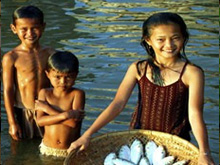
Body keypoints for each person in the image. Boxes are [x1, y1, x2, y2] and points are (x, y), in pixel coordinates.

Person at [67, 12, 215, 164]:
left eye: (175, 38)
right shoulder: (138, 69)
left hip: (176, 141)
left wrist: (204, 152)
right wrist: (88, 135)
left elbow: (195, 114)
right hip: (139, 137)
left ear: (184, 38)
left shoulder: (192, 73)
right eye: (161, 40)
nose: (169, 45)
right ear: (148, 40)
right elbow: (117, 104)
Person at [2, 5, 55, 140]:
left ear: (43, 27)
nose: (30, 33)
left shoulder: (50, 54)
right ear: (14, 29)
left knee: (49, 145)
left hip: (47, 109)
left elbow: (58, 84)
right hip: (24, 111)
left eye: (34, 28)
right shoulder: (12, 57)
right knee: (20, 146)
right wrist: (12, 122)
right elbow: (8, 90)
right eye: (24, 29)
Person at [35, 51, 85, 158]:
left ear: (76, 75)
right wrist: (65, 115)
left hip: (69, 150)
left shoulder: (77, 94)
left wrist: (48, 109)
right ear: (48, 74)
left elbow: (73, 123)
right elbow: (40, 121)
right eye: (57, 77)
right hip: (48, 149)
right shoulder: (44, 93)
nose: (63, 82)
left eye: (68, 77)